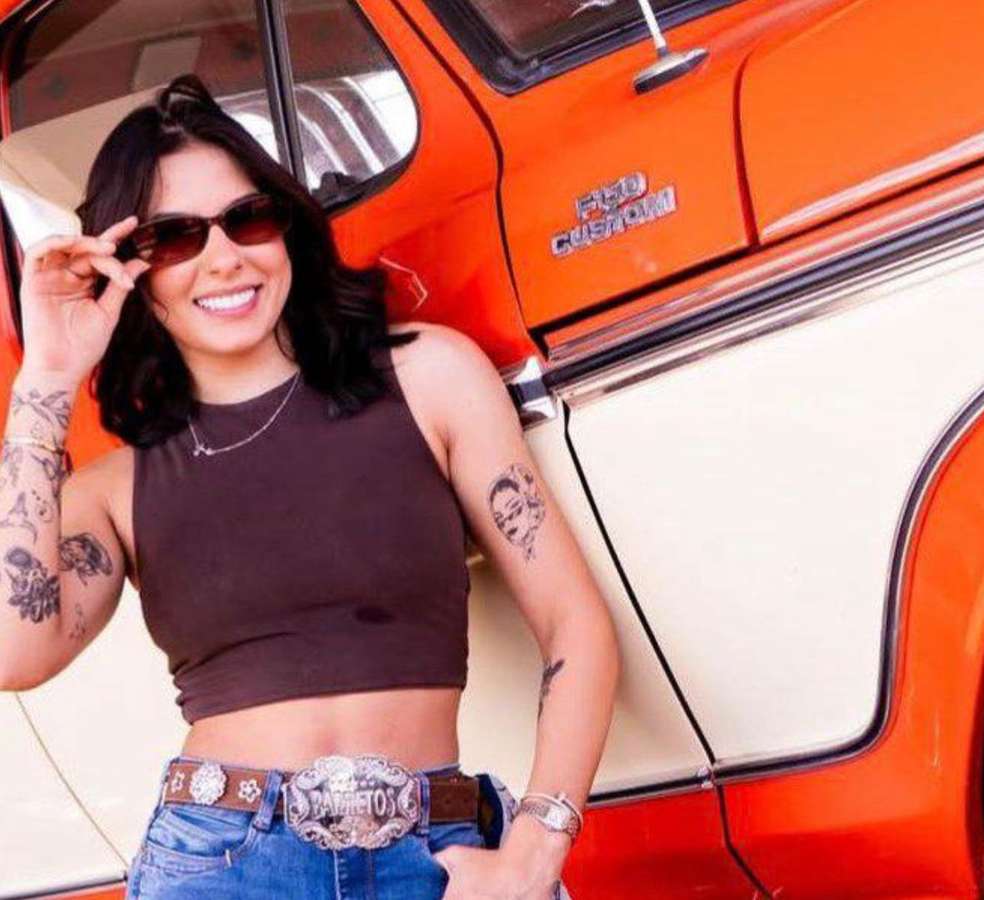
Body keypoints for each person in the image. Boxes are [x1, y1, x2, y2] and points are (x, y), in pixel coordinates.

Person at [0, 73, 620, 899]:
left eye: (248, 218)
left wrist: (534, 855)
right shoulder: (119, 488)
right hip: (224, 865)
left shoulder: (428, 378)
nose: (224, 257)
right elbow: (14, 652)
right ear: (131, 273)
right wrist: (45, 377)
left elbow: (575, 625)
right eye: (176, 238)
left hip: (442, 858)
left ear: (286, 225)